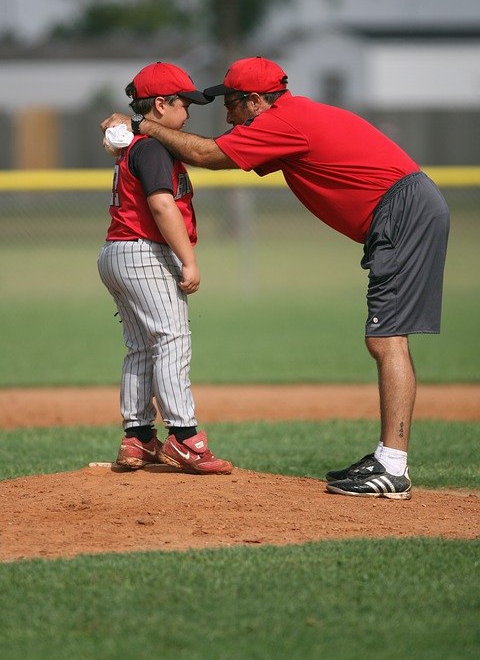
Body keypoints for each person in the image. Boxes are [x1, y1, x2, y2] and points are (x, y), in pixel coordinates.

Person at [101, 56, 450, 499]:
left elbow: (209, 153)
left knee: (387, 338)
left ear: (254, 101)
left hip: (403, 212)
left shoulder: (284, 121)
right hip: (404, 209)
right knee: (385, 337)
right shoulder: (292, 117)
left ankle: (393, 466)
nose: (226, 114)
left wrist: (142, 127)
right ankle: (388, 458)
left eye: (231, 103)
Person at [98, 61, 233, 475]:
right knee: (172, 339)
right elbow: (161, 204)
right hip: (143, 251)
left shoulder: (138, 145)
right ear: (160, 104)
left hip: (116, 251)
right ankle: (184, 437)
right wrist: (189, 260)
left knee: (142, 346)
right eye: (183, 104)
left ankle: (137, 438)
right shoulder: (153, 147)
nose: (188, 113)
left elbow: (117, 134)